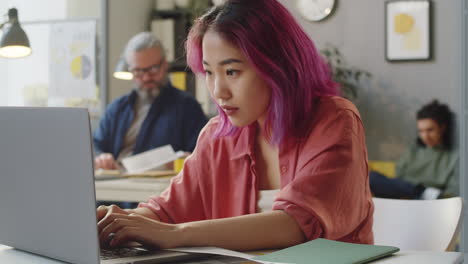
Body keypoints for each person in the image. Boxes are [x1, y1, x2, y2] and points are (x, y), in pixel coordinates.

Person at [96, 0, 374, 251]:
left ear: (277, 66)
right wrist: (116, 223)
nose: (218, 91)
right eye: (208, 72)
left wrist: (175, 233)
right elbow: (165, 211)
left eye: (232, 72)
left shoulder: (335, 120)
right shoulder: (217, 135)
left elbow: (297, 224)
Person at [94, 32, 208, 170]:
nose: (147, 77)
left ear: (165, 65)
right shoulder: (117, 108)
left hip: (160, 185)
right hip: (116, 181)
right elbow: (96, 147)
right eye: (138, 71)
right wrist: (101, 157)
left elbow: (204, 156)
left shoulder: (187, 107)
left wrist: (184, 160)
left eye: (153, 69)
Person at [369, 100, 459, 200]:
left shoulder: (455, 157)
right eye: (421, 131)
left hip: (433, 200)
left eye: (430, 130)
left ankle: (423, 193)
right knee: (370, 177)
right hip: (403, 192)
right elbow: (398, 178)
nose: (425, 136)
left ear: (442, 127)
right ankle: (422, 192)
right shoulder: (413, 151)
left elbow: (452, 194)